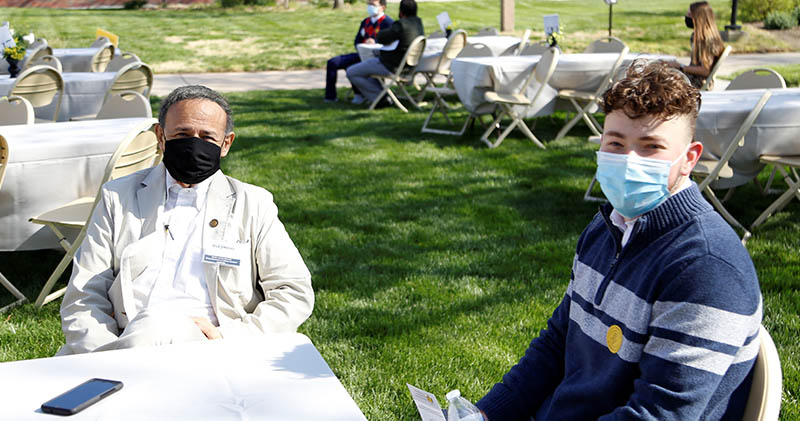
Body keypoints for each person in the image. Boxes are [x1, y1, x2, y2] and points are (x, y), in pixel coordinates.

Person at [475, 61, 762, 420]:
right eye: (615, 142)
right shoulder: (607, 228)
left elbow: (660, 414)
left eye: (651, 146)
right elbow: (556, 343)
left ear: (689, 159)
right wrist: (484, 414)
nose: (629, 160)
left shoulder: (707, 269)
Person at [58, 85, 314, 355]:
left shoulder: (253, 204)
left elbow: (293, 291)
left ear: (226, 144)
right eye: (182, 134)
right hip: (122, 341)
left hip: (213, 348)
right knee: (151, 328)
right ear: (161, 136)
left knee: (157, 325)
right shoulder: (118, 197)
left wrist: (229, 337)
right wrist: (101, 354)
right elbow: (84, 295)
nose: (194, 145)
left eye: (207, 137)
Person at [346, 0, 423, 107]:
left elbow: (382, 37)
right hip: (408, 67)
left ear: (401, 11)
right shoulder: (418, 23)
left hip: (392, 67)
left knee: (352, 72)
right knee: (368, 65)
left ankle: (380, 97)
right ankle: (382, 95)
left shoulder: (401, 25)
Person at [325, 0, 393, 104]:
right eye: (368, 4)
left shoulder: (388, 22)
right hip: (361, 53)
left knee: (352, 67)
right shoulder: (366, 22)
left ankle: (359, 94)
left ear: (382, 7)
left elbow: (390, 43)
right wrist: (362, 46)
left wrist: (375, 42)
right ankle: (330, 97)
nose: (370, 7)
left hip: (376, 57)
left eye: (373, 5)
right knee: (333, 62)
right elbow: (357, 40)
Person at [669, 1, 725, 89]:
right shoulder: (697, 37)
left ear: (699, 18)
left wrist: (681, 67)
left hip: (698, 84)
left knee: (661, 81)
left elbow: (706, 70)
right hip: (692, 78)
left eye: (689, 15)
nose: (687, 17)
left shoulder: (706, 40)